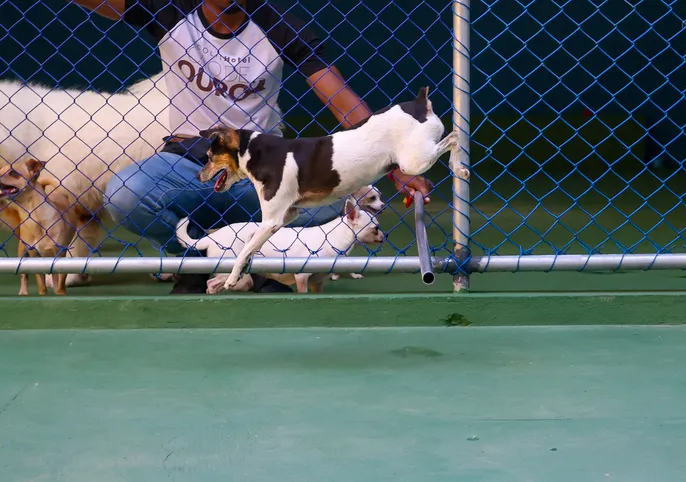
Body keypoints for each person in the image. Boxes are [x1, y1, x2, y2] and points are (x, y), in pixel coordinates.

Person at [68, 0, 433, 294]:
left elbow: (339, 99)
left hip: (265, 170)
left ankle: (261, 267)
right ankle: (196, 265)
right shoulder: (168, 11)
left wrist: (396, 163)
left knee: (336, 206)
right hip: (192, 164)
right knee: (127, 194)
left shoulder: (277, 25)